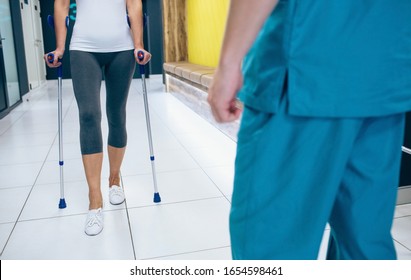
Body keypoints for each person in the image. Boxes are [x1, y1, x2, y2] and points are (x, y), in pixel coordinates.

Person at [208, 0, 411, 259]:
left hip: (306, 67)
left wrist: (228, 64)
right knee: (364, 242)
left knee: (272, 247)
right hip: (384, 73)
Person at [45, 0, 151, 236]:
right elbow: (61, 4)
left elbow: (133, 3)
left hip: (122, 49)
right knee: (89, 115)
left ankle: (114, 180)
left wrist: (138, 44)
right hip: (83, 48)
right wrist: (60, 48)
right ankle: (95, 199)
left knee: (116, 114)